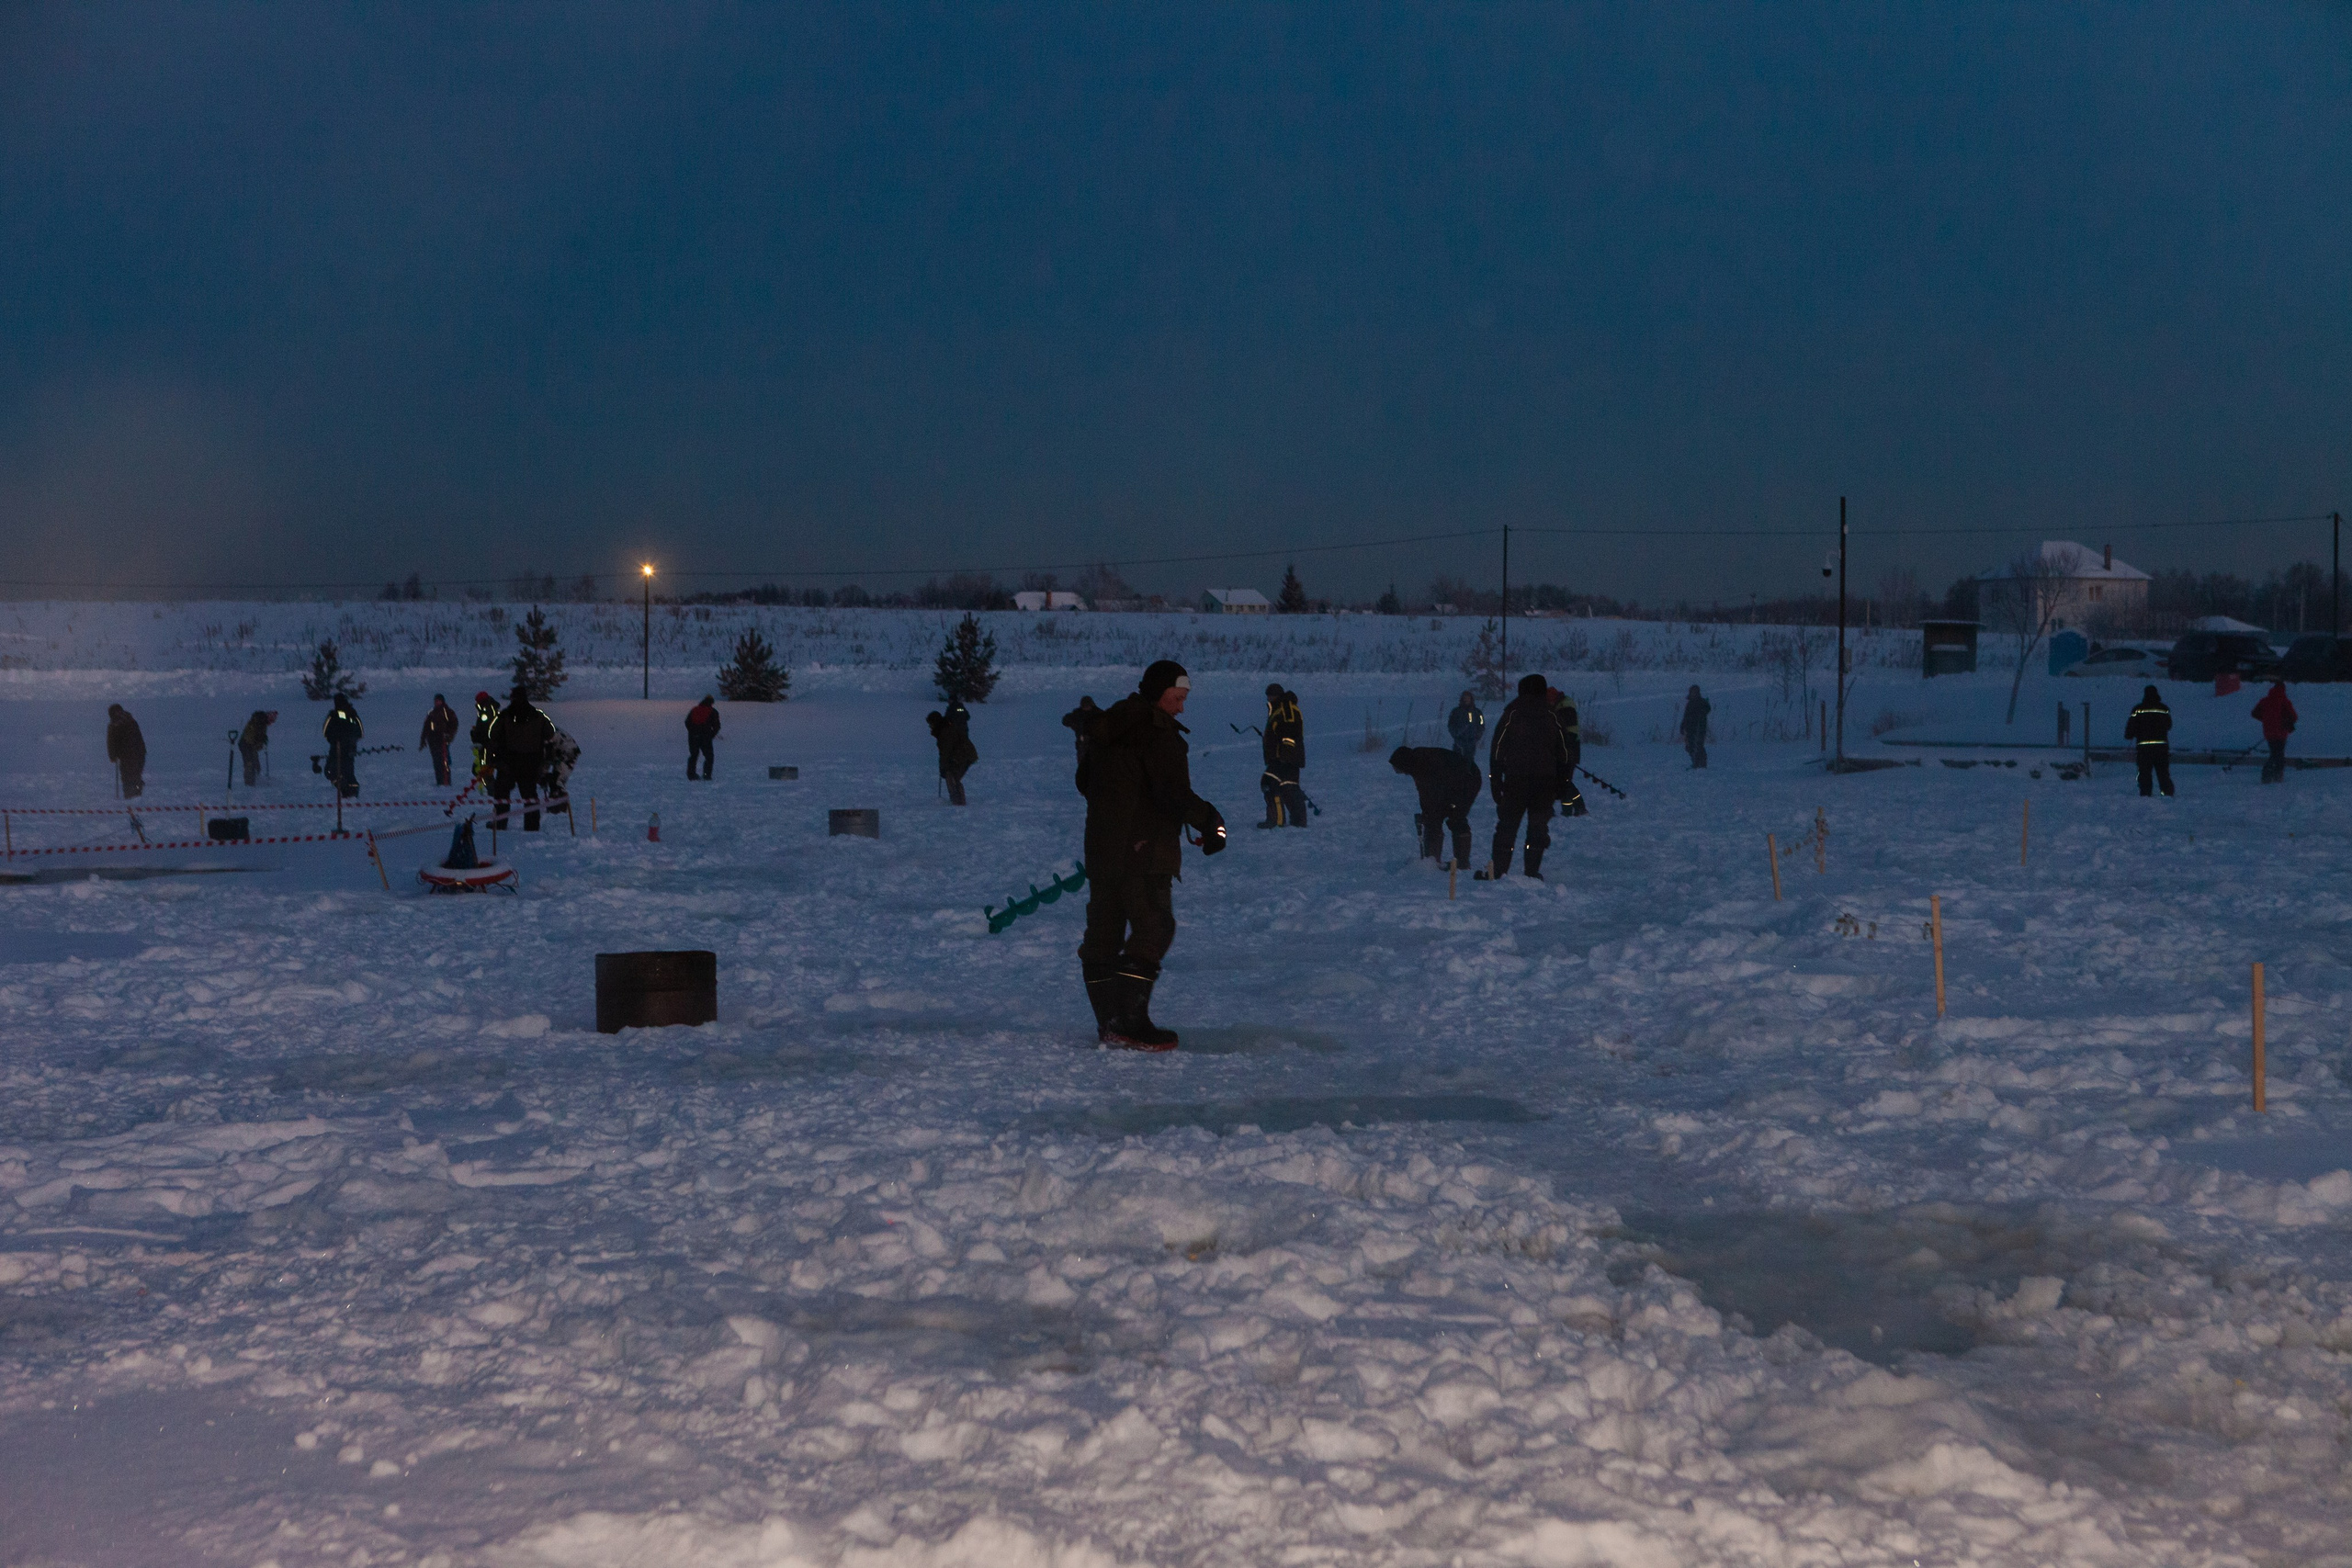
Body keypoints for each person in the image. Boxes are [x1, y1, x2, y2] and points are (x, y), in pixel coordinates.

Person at [1077, 660, 1227, 1049]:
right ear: (1159, 694)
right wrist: (1211, 821)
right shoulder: (1156, 734)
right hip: (1142, 852)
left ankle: (1111, 1023)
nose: (1181, 707)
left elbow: (1085, 783)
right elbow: (1170, 792)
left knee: (1103, 938)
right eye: (1176, 698)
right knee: (1155, 926)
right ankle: (1129, 1024)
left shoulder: (1112, 726)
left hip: (1103, 850)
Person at [1478, 673, 1573, 880]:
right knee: (1537, 829)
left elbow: (1497, 751)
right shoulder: (1553, 716)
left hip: (1516, 782)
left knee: (1507, 828)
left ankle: (1498, 872)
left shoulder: (1512, 714)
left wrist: (1495, 780)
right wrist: (1563, 782)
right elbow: (1566, 754)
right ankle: (1531, 872)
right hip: (1544, 784)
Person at [1390, 745, 1480, 865]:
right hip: (1453, 782)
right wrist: (1428, 814)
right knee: (1433, 820)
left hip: (1468, 779)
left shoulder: (1424, 763)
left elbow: (1433, 790)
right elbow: (1426, 793)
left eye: (1399, 769)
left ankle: (1462, 863)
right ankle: (1432, 861)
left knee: (1456, 817)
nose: (1400, 772)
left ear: (1404, 763)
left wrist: (1434, 812)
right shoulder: (1417, 764)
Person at [488, 684, 555, 830]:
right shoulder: (538, 715)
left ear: (513, 698)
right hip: (531, 763)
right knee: (530, 796)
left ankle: (500, 825)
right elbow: (550, 733)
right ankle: (532, 827)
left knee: (502, 796)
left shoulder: (505, 715)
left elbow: (493, 734)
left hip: (508, 763)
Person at [1257, 683, 1308, 828]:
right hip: (1284, 758)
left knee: (1269, 783)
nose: (1269, 698)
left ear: (1278, 696)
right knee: (1288, 786)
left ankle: (1276, 821)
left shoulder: (1286, 709)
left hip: (1285, 758)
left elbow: (1290, 733)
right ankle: (1299, 821)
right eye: (1268, 695)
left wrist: (1285, 755)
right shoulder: (1280, 709)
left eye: (1271, 695)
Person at [2126, 684, 2175, 798]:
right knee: (2163, 771)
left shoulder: (2138, 709)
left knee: (2144, 772)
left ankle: (2146, 793)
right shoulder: (2163, 708)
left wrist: (2129, 735)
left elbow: (2131, 726)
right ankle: (2167, 792)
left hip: (2144, 747)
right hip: (2161, 746)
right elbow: (2169, 725)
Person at [927, 698, 978, 805]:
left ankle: (959, 801)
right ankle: (956, 799)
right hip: (963, 754)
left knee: (952, 776)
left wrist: (944, 766)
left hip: (965, 754)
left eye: (931, 724)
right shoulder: (944, 728)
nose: (930, 727)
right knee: (952, 775)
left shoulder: (945, 731)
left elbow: (946, 751)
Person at [1550, 687, 1589, 818]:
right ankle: (1569, 810)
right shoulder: (1560, 708)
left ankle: (1577, 807)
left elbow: (1569, 734)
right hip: (1565, 751)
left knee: (1563, 780)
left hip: (1568, 751)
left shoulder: (1565, 709)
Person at [2252, 680, 2297, 784]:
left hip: (2268, 732)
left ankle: (2270, 775)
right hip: (2281, 732)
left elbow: (2255, 713)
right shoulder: (2285, 701)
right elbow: (2294, 717)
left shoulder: (2265, 701)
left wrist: (2266, 720)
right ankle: (2275, 776)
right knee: (2278, 755)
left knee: (2274, 753)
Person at [322, 697, 363, 799]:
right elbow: (360, 732)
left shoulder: (334, 715)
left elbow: (325, 731)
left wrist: (334, 740)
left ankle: (346, 790)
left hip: (337, 749)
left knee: (331, 771)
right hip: (350, 749)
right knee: (348, 771)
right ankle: (351, 791)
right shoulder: (352, 714)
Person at [105, 704, 147, 798]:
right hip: (139, 753)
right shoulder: (131, 720)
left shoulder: (114, 725)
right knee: (136, 774)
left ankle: (130, 794)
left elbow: (111, 743)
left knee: (127, 776)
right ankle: (137, 791)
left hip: (126, 756)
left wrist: (112, 757)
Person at [419, 694, 459, 787]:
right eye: (435, 701)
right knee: (437, 762)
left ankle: (446, 782)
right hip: (433, 742)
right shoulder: (432, 713)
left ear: (442, 701)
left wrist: (449, 735)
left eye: (438, 701)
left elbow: (454, 724)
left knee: (444, 762)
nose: (437, 702)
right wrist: (423, 740)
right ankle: (439, 782)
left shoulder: (447, 712)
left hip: (443, 741)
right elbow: (426, 727)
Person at [685, 694, 721, 781]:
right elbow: (717, 726)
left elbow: (687, 722)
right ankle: (706, 774)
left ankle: (691, 774)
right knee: (709, 756)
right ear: (711, 703)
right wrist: (711, 735)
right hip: (705, 737)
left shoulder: (694, 710)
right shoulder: (713, 711)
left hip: (693, 736)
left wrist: (692, 731)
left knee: (694, 755)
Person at [237, 709, 277, 786]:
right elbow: (250, 736)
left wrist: (263, 740)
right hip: (246, 744)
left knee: (256, 764)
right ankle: (249, 784)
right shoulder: (258, 722)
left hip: (251, 746)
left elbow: (260, 736)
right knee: (249, 764)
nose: (271, 723)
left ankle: (256, 780)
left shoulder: (263, 723)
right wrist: (257, 744)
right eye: (271, 721)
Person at [1061, 695, 1102, 764]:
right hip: (1082, 743)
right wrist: (1073, 724)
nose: (1086, 707)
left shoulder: (1098, 713)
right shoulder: (1078, 713)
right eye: (1084, 706)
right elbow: (1065, 721)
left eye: (1087, 705)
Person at [1679, 685, 1712, 770]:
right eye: (1692, 692)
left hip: (1699, 728)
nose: (1694, 694)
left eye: (1695, 692)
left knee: (1698, 746)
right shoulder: (1689, 703)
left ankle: (1701, 764)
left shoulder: (1702, 702)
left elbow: (1707, 709)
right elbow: (1686, 716)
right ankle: (1695, 762)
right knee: (1689, 747)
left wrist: (1701, 712)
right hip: (1689, 728)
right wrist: (1682, 726)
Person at [1447, 691, 1486, 761]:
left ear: (1471, 699)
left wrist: (1477, 736)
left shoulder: (1477, 712)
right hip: (1459, 743)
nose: (1466, 700)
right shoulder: (1456, 712)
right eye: (1464, 698)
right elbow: (1451, 726)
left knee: (1469, 764)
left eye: (1468, 698)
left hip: (1471, 743)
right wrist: (1457, 733)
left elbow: (1481, 725)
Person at [469, 692, 498, 781]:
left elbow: (487, 728)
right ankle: (489, 788)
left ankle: (491, 790)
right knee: (480, 768)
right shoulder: (484, 710)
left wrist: (477, 735)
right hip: (484, 744)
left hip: (487, 744)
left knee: (484, 768)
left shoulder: (487, 710)